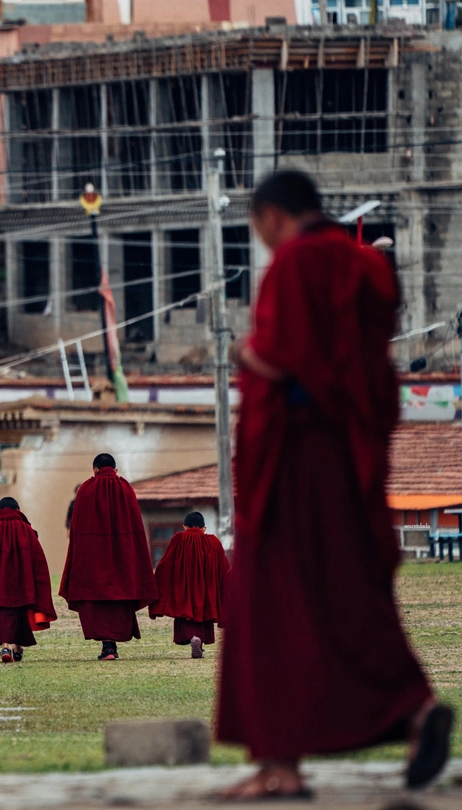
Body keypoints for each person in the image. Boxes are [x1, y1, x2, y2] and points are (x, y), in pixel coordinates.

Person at [217, 170, 453, 800]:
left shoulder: (295, 265)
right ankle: (415, 709)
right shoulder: (365, 266)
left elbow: (295, 361)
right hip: (348, 458)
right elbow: (355, 368)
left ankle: (280, 765)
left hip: (294, 460)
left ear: (270, 217)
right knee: (349, 595)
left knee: (270, 606)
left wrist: (246, 356)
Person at [59, 453, 158, 660]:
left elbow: (76, 527)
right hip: (122, 554)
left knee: (98, 598)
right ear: (115, 470)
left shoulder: (86, 489)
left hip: (94, 556)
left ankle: (107, 645)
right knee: (119, 596)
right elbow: (135, 526)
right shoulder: (126, 488)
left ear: (94, 470)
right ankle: (112, 646)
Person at [0, 496, 57, 664]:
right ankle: (18, 647)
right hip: (21, 581)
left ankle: (5, 647)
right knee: (20, 611)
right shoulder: (25, 528)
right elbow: (37, 557)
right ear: (18, 510)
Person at [149, 511, 230, 659]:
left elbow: (165, 565)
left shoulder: (179, 539)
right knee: (204, 613)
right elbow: (224, 569)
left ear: (184, 527)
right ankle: (198, 640)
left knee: (186, 613)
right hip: (207, 592)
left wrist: (158, 583)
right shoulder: (214, 542)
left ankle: (193, 638)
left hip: (183, 590)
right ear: (204, 528)